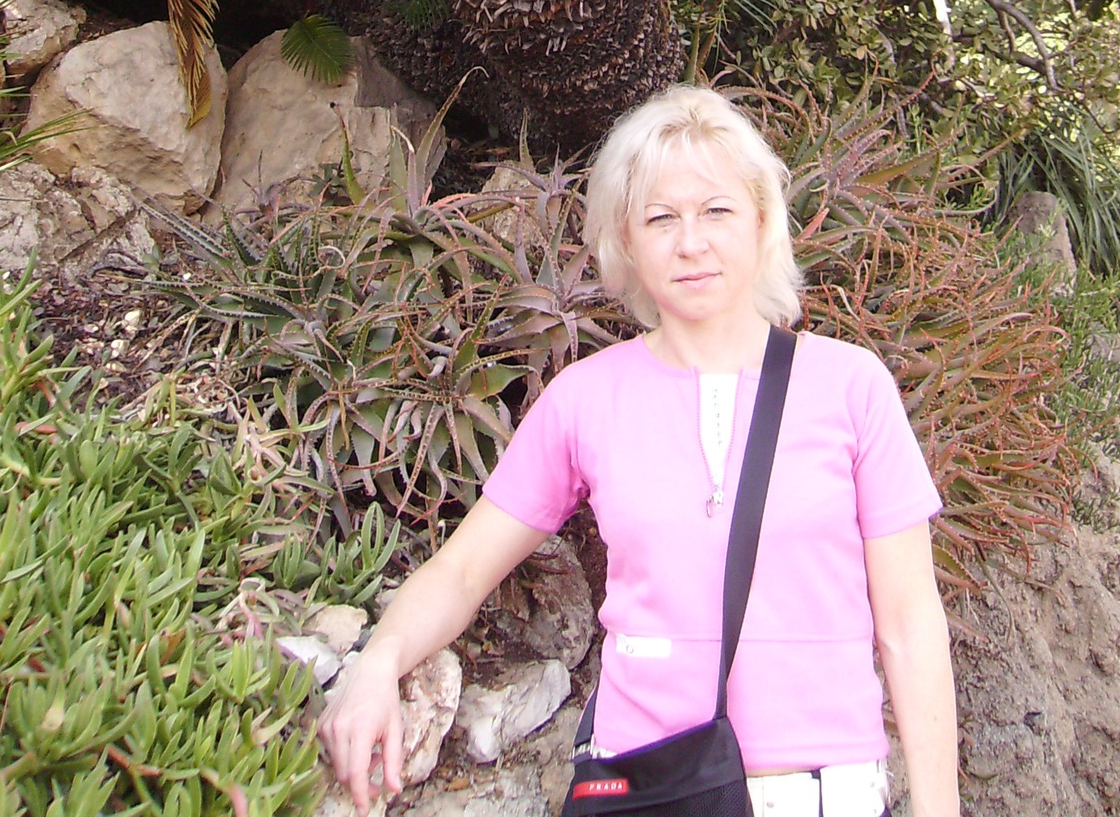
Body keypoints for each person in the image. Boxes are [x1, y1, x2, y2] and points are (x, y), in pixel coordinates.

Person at [319, 84, 961, 817]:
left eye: (716, 210)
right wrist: (378, 663)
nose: (691, 242)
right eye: (660, 218)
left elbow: (910, 624)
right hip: (646, 789)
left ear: (761, 220)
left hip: (824, 793)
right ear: (625, 240)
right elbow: (463, 571)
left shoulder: (850, 386)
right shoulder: (585, 399)